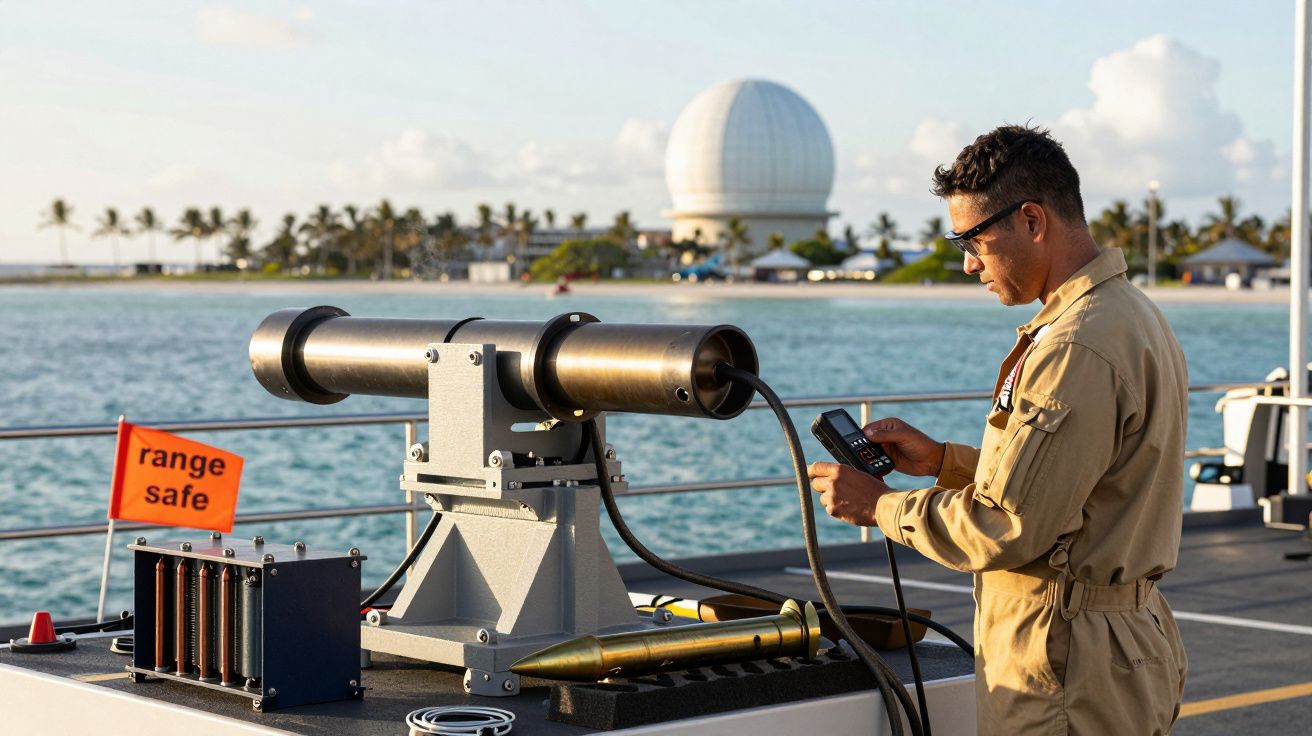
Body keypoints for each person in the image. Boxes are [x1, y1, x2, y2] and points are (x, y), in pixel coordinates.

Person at [809, 125, 1188, 734]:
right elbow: (1081, 482)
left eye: (974, 240)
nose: (968, 263)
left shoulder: (1075, 345)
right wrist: (942, 462)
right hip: (1114, 645)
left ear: (1032, 221)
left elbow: (1006, 526)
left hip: (1067, 664)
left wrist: (880, 506)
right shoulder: (1131, 315)